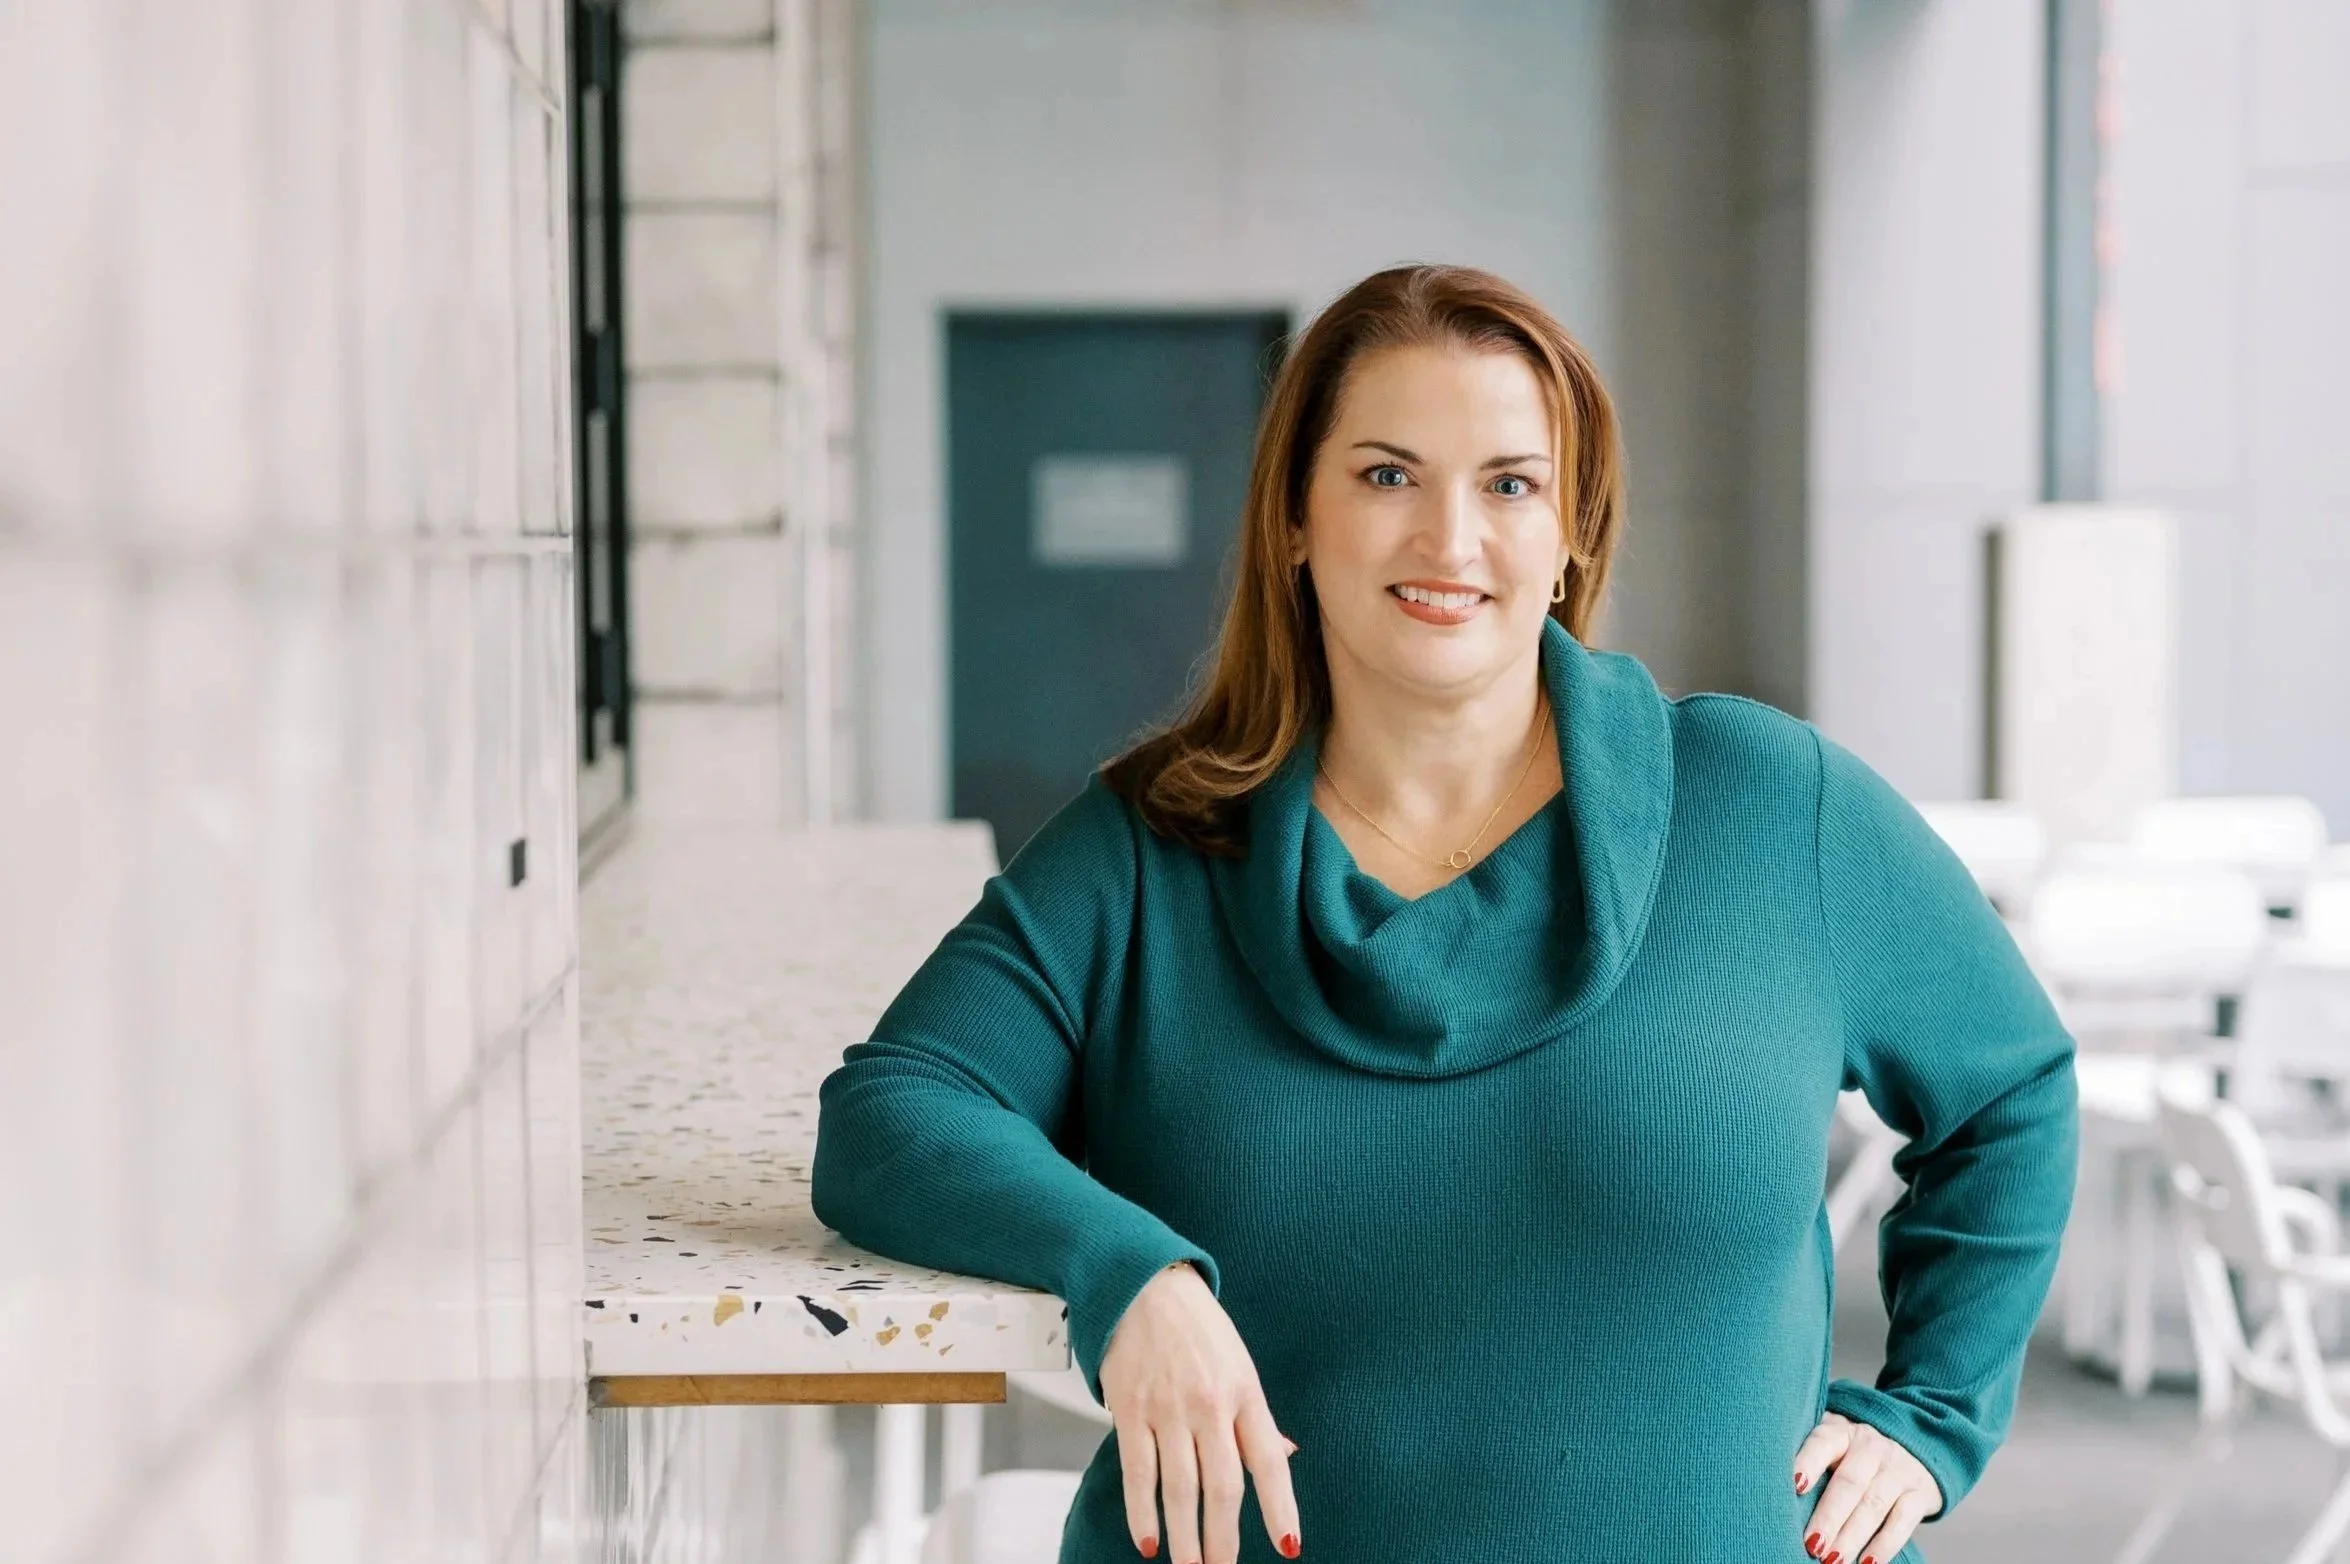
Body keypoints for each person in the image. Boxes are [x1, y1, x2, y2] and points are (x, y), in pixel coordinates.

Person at [812, 264, 2077, 1564]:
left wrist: (1930, 1421)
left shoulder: (1765, 807)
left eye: (1508, 483)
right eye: (1383, 475)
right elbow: (892, 1111)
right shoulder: (1155, 848)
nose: (1447, 539)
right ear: (1293, 518)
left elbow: (2009, 1091)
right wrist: (1128, 1273)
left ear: (1573, 527)